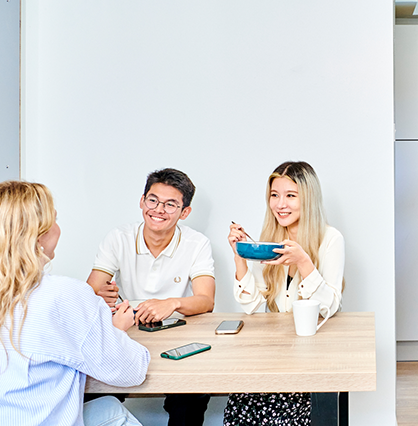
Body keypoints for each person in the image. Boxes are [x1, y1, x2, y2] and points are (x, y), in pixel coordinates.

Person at [0, 181, 149, 426]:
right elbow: (131, 371)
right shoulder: (65, 295)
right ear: (39, 235)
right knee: (112, 411)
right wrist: (116, 331)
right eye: (54, 219)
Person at [86, 168, 216, 426]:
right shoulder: (119, 237)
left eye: (170, 204)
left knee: (191, 395)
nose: (158, 209)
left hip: (178, 336)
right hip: (126, 333)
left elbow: (206, 301)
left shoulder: (197, 243)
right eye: (153, 200)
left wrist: (173, 303)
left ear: (184, 212)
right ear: (142, 201)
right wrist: (99, 295)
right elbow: (89, 291)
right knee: (96, 385)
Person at [225, 161, 345, 426]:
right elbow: (253, 307)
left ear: (308, 198)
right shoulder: (269, 239)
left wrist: (304, 262)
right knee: (238, 409)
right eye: (274, 195)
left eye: (291, 196)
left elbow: (330, 307)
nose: (280, 204)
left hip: (313, 355)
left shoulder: (330, 239)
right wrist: (241, 256)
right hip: (273, 353)